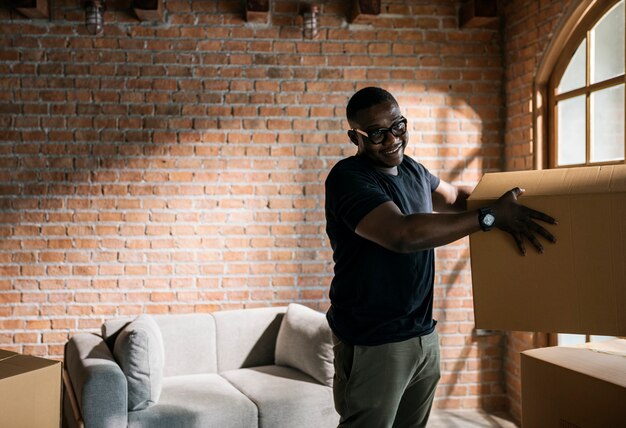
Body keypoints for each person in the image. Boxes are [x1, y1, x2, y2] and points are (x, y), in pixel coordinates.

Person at [324, 87, 557, 428]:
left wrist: (516, 197)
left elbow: (454, 196)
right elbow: (401, 234)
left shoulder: (414, 171)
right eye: (376, 133)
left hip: (422, 334)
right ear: (353, 136)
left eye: (398, 126)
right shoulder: (348, 178)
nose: (391, 139)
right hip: (373, 340)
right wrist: (490, 218)